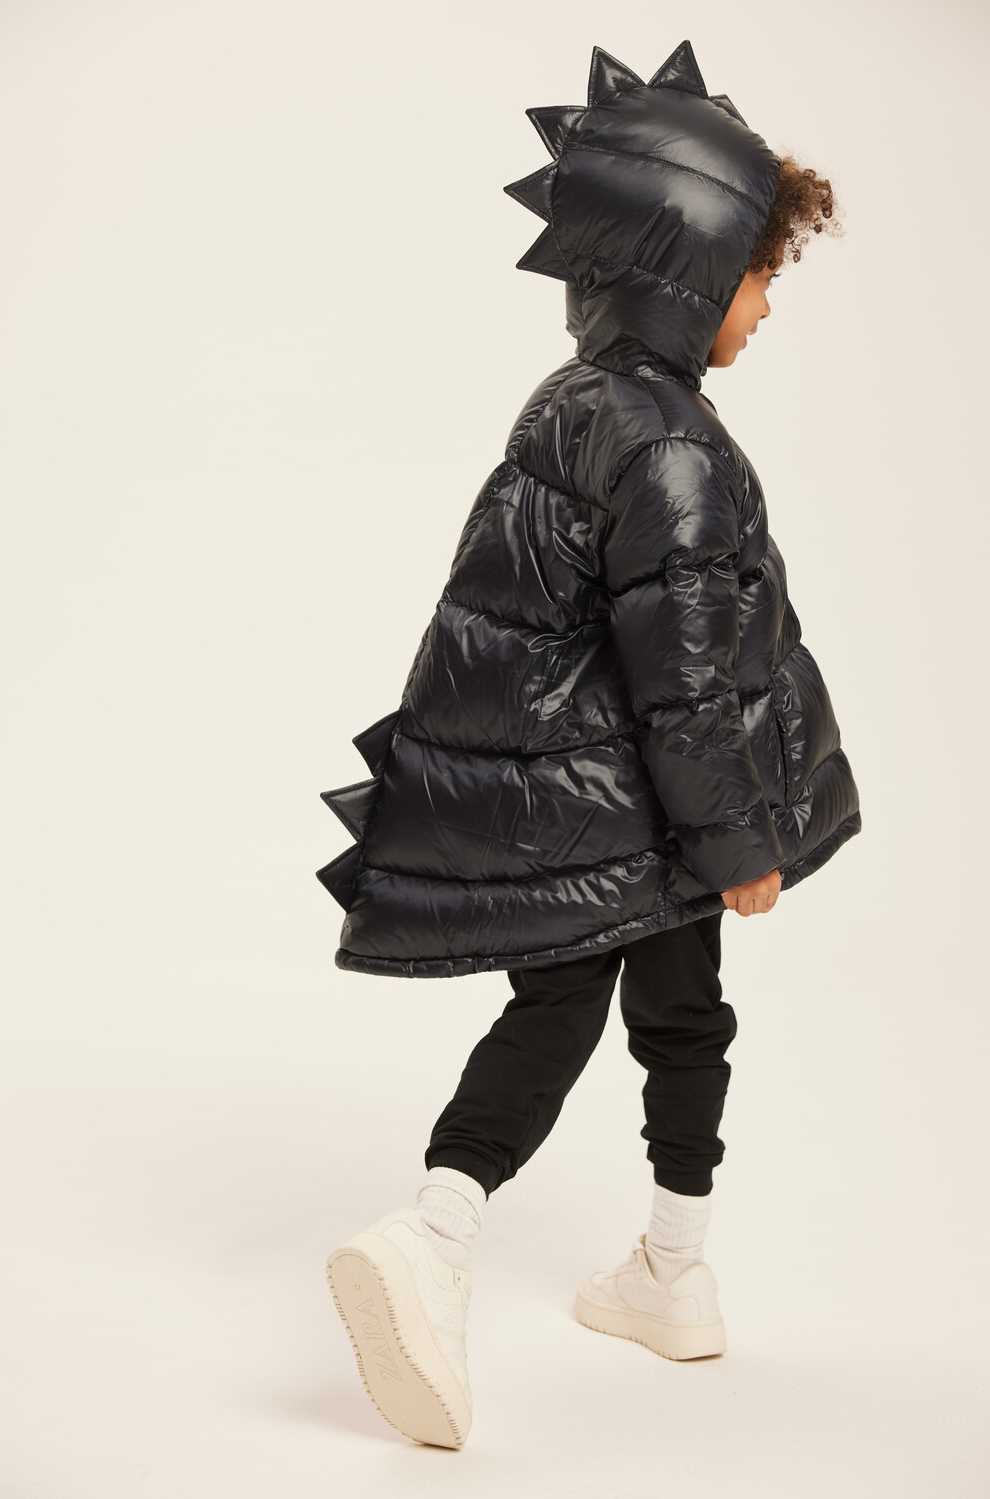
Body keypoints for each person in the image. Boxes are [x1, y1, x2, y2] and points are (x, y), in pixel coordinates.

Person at [320, 40, 861, 1449]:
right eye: (757, 276)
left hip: (595, 803)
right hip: (634, 809)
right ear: (686, 269)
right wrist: (737, 841)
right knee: (595, 1012)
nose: (765, 308)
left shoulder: (576, 404)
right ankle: (437, 1235)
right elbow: (683, 678)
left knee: (666, 1007)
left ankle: (667, 1276)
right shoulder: (672, 446)